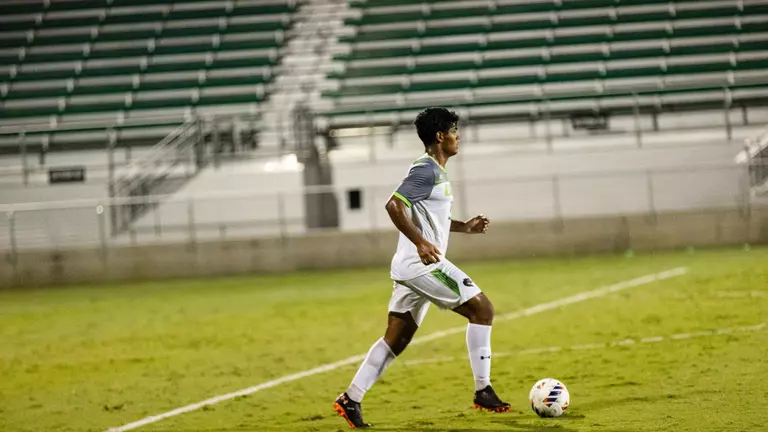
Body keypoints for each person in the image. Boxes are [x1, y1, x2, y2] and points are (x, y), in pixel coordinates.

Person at [333, 107, 510, 429]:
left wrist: (464, 227)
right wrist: (420, 243)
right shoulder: (426, 170)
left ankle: (351, 398)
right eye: (455, 131)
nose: (459, 137)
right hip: (421, 265)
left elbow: (432, 221)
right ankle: (483, 390)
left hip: (410, 268)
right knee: (482, 309)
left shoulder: (436, 172)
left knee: (396, 339)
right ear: (440, 136)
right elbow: (393, 205)